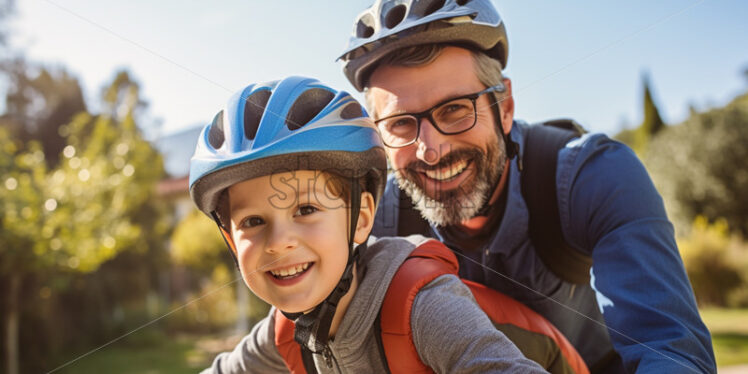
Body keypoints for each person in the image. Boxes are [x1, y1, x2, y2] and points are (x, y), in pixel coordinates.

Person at [338, 1, 716, 373]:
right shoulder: (374, 223)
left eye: (454, 109)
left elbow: (670, 349)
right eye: (401, 124)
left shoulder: (594, 175)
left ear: (504, 108)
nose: (430, 150)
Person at [190, 76, 557, 373]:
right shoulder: (282, 332)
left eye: (305, 210)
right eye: (253, 221)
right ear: (231, 240)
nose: (279, 242)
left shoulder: (423, 308)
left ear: (362, 219)